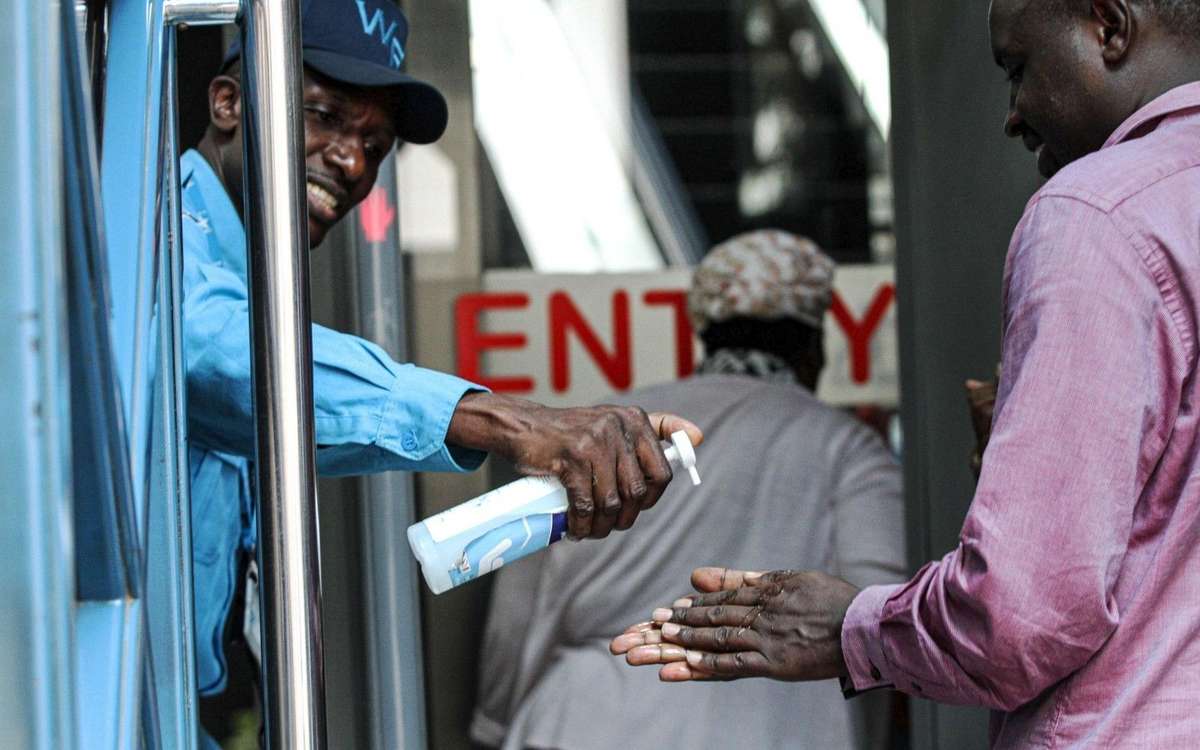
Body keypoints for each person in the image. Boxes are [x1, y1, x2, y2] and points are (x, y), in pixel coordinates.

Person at [613, 1, 1200, 746]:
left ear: (1110, 27)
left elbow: (1020, 615)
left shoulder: (1095, 213)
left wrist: (848, 627)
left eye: (1018, 69)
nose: (1012, 116)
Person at [179, 0, 700, 739]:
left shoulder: (249, 280)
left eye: (374, 142)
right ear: (229, 103)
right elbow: (216, 356)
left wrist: (522, 433)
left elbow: (291, 412)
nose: (353, 162)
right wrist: (506, 421)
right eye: (323, 115)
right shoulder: (163, 233)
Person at [472, 231, 907, 750]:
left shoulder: (606, 427)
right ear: (815, 346)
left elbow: (517, 603)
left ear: (706, 333)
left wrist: (493, 725)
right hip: (773, 728)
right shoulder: (847, 448)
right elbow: (875, 614)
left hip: (582, 723)